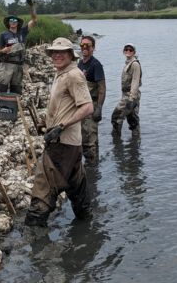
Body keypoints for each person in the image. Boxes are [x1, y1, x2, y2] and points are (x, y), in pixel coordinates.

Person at [25, 37, 94, 227]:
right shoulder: (61, 73)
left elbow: (88, 107)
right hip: (70, 145)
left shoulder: (74, 75)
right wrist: (47, 123)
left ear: (71, 55)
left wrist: (61, 126)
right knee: (76, 184)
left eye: (62, 52)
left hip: (62, 144)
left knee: (43, 189)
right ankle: (87, 227)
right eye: (54, 52)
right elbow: (64, 106)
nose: (57, 55)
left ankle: (34, 234)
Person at [0, 0, 37, 116]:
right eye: (11, 20)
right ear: (8, 22)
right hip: (6, 66)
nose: (13, 22)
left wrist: (31, 6)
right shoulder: (4, 34)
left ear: (18, 22)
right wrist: (3, 50)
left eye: (15, 20)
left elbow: (34, 19)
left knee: (16, 90)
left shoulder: (23, 32)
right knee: (0, 88)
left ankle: (13, 112)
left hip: (18, 67)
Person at [78, 36, 106, 167]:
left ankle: (93, 168)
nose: (85, 47)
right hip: (81, 106)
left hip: (91, 106)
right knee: (84, 137)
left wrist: (99, 108)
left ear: (93, 48)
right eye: (82, 44)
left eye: (88, 45)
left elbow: (102, 89)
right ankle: (91, 166)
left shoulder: (96, 65)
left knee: (90, 139)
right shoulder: (80, 63)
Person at [111, 43, 142, 136]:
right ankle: (135, 141)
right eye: (126, 49)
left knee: (116, 117)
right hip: (129, 95)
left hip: (130, 95)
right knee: (133, 119)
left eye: (130, 50)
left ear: (134, 52)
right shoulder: (128, 63)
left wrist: (131, 99)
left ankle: (116, 140)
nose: (128, 51)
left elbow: (135, 82)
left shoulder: (134, 64)